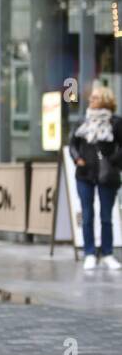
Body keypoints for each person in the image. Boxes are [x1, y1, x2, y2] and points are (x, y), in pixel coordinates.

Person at [68, 84, 122, 271]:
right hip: (85, 175)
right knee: (88, 215)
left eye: (96, 97)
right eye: (91, 97)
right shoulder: (83, 120)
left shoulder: (115, 122)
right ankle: (89, 253)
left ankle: (107, 253)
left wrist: (112, 161)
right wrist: (77, 159)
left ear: (106, 100)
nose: (91, 100)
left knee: (106, 217)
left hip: (107, 176)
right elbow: (72, 143)